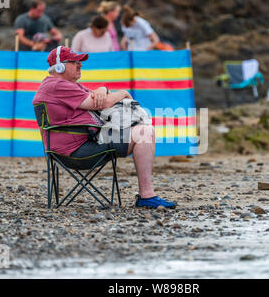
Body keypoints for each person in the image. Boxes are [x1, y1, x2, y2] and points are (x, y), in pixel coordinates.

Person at [32, 46, 176, 209]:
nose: (80, 65)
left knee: (142, 129)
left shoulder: (65, 85)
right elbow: (105, 102)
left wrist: (102, 89)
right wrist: (123, 92)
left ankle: (147, 196)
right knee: (144, 132)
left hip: (78, 144)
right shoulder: (57, 85)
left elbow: (99, 97)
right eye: (75, 62)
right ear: (60, 66)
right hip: (77, 150)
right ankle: (147, 196)